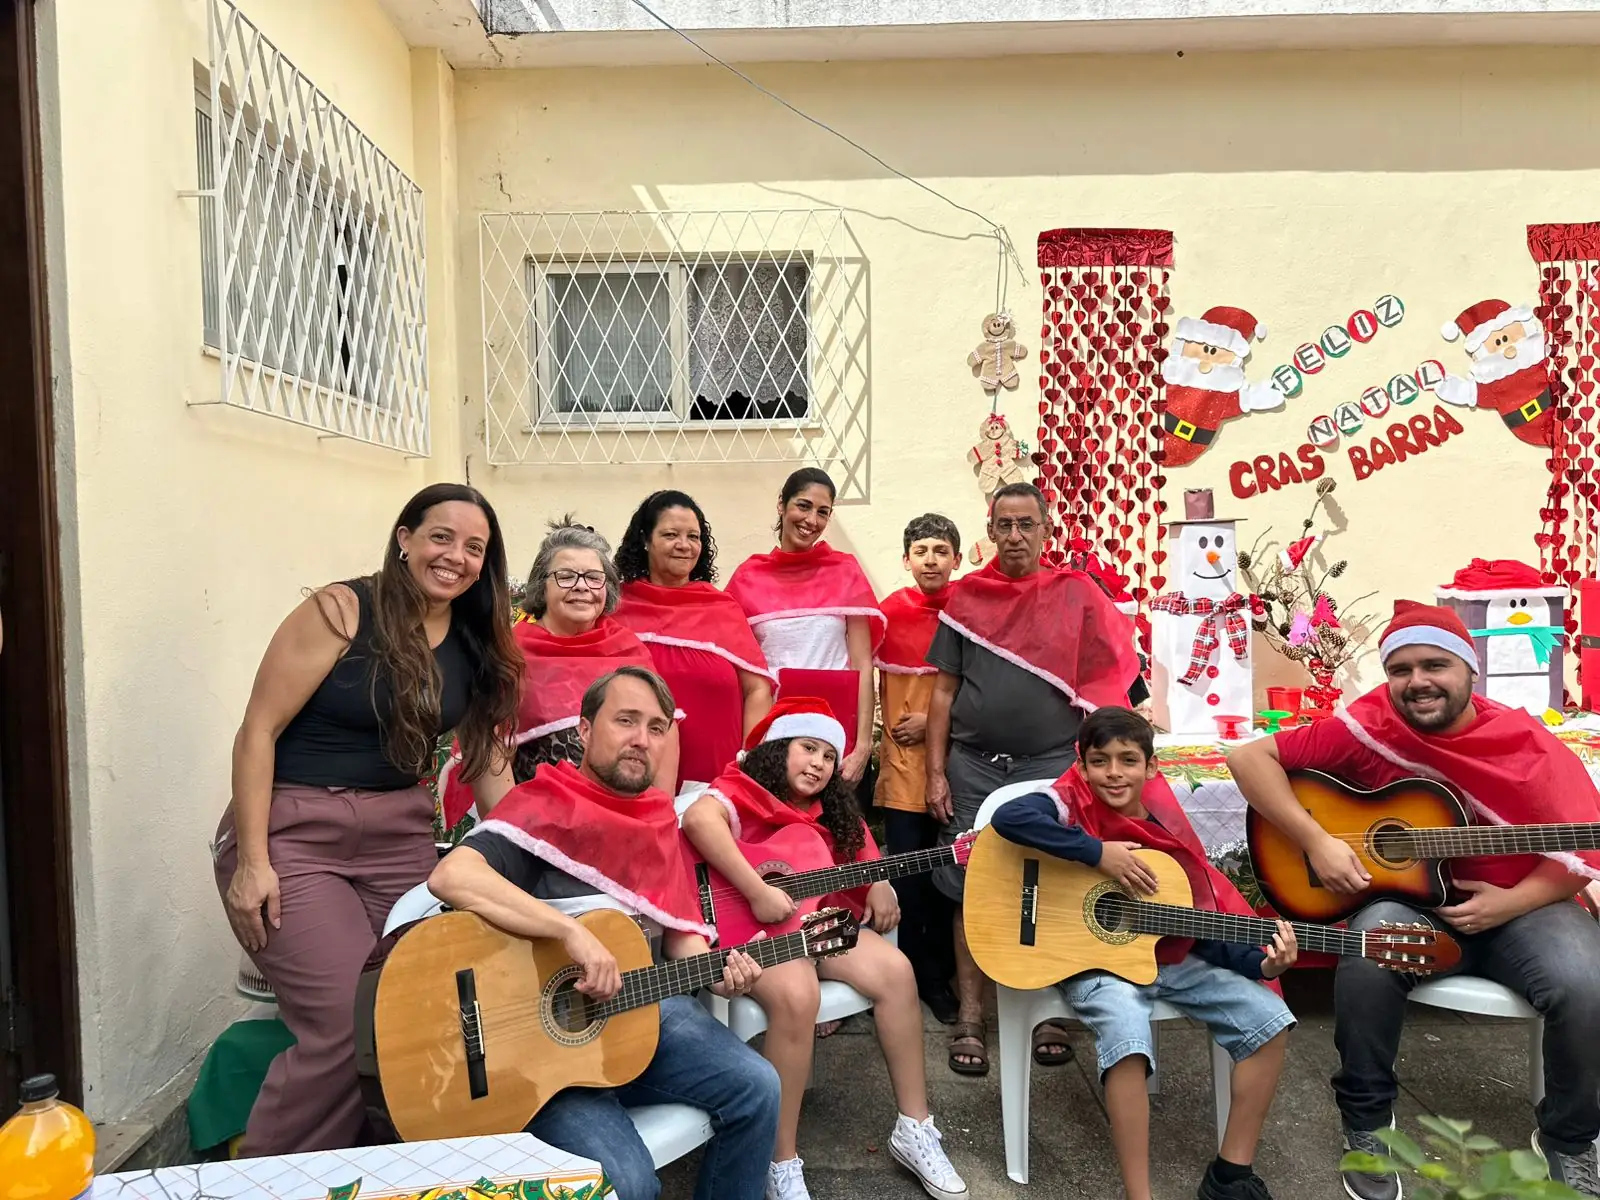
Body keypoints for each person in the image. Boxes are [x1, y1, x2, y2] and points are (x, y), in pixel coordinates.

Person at [1228, 599, 1600, 1200]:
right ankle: (1369, 1128)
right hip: (1416, 908)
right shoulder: (1372, 723)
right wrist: (1316, 841)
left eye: (1435, 666)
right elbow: (1248, 757)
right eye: (1400, 669)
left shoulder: (1524, 742)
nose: (1417, 682)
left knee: (1586, 981)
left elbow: (1582, 857)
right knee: (1370, 951)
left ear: (1469, 671)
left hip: (1526, 908)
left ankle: (1569, 1139)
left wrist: (1508, 903)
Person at [213, 483, 523, 1156]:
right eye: (441, 537)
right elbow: (257, 731)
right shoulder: (341, 610)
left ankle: (370, 1170)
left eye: (475, 548)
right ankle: (267, 1177)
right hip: (294, 828)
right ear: (405, 538)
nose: (456, 557)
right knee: (344, 1018)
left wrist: (524, 861)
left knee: (416, 1005)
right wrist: (254, 864)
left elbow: (490, 766)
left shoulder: (476, 639)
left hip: (398, 837)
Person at [428, 667, 780, 1200]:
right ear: (586, 730)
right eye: (626, 721)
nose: (642, 739)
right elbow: (452, 876)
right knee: (629, 1183)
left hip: (641, 1011)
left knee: (760, 1088)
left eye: (657, 728)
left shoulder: (658, 818)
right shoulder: (545, 803)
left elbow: (682, 933)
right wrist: (570, 934)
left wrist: (722, 972)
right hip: (531, 1045)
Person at [990, 707, 1297, 1200]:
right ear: (1082, 764)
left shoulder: (1165, 829)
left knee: (1269, 1019)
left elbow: (1197, 922)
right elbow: (1010, 817)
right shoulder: (1068, 804)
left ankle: (1231, 1173)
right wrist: (1098, 854)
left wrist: (1264, 962)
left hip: (1168, 956)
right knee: (1129, 1036)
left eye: (1128, 760)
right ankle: (1139, 1195)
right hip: (1091, 960)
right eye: (1100, 761)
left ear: (1151, 768)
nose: (1114, 773)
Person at [680, 698, 968, 1200]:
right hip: (746, 936)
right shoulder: (738, 788)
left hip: (811, 926)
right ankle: (779, 1157)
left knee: (897, 972)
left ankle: (915, 1127)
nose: (817, 763)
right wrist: (756, 891)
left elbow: (858, 849)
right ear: (776, 750)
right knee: (797, 994)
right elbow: (699, 823)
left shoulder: (830, 810)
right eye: (806, 748)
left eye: (828, 757)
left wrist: (877, 879)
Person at [926, 481, 1140, 1076]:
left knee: (1048, 883)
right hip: (970, 767)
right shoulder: (966, 597)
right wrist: (935, 772)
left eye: (1027, 524)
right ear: (989, 531)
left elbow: (1106, 679)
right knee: (968, 883)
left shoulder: (1074, 595)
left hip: (1052, 765)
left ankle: (1047, 1009)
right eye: (1005, 525)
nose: (1015, 536)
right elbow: (942, 692)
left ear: (1047, 531)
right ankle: (971, 1014)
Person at [438, 517, 670, 832]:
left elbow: (665, 732)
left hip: (626, 823)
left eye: (593, 577)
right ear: (541, 587)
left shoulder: (627, 649)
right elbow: (490, 752)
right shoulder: (509, 655)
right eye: (565, 576)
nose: (581, 586)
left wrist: (654, 819)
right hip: (539, 827)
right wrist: (519, 837)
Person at [725, 468, 883, 787]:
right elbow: (737, 672)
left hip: (833, 739)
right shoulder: (748, 578)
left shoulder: (844, 571)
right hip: (773, 736)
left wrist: (863, 746)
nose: (812, 520)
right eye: (804, 505)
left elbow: (862, 665)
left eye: (823, 512)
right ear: (781, 505)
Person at [614, 489, 776, 788]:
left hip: (717, 779)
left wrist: (750, 763)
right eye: (671, 534)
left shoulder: (722, 608)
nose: (684, 545)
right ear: (645, 539)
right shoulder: (617, 607)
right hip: (633, 776)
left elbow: (758, 690)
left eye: (693, 536)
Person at [873, 513, 962, 1025]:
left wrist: (932, 724)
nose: (931, 559)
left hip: (956, 763)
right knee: (910, 876)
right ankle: (908, 976)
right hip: (903, 768)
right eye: (921, 550)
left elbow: (971, 686)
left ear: (956, 558)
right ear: (907, 559)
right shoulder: (887, 615)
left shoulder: (969, 612)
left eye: (940, 550)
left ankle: (941, 975)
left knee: (948, 874)